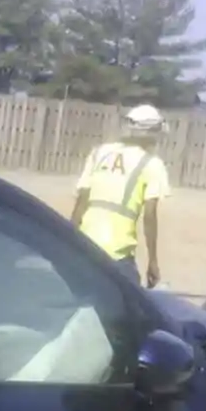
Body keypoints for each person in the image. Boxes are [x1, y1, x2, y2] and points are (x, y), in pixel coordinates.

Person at [71, 104, 171, 287]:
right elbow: (149, 216)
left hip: (85, 244)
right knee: (131, 305)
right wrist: (153, 261)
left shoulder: (99, 153)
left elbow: (81, 203)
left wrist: (68, 240)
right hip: (118, 250)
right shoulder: (152, 164)